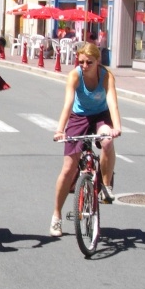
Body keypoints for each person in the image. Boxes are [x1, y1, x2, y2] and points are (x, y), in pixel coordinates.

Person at [50, 42, 122, 238]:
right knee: (68, 167)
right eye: (80, 61)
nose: (84, 65)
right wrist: (60, 130)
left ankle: (106, 186)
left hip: (101, 115)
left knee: (107, 141)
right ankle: (56, 216)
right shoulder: (75, 75)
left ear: (98, 61)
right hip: (78, 117)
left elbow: (112, 103)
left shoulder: (106, 76)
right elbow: (68, 104)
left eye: (89, 62)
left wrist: (116, 127)